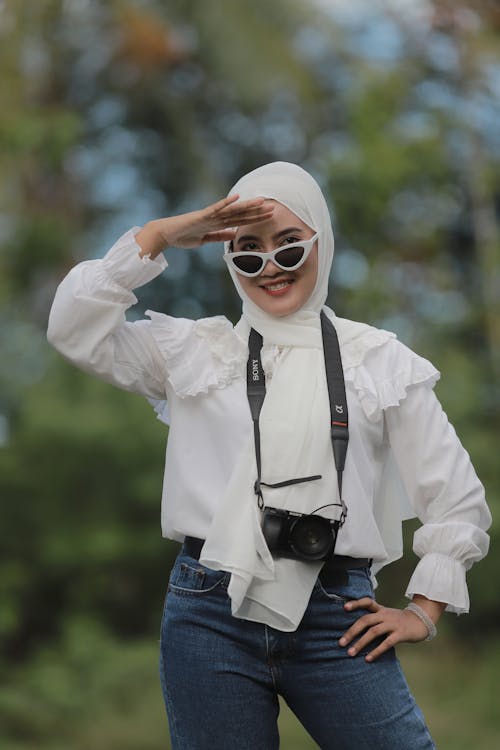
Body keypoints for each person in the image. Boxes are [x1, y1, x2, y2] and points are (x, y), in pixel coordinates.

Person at [47, 161, 491, 750]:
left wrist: (424, 611)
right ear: (230, 260)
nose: (270, 267)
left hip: (338, 612)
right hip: (209, 610)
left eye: (289, 246)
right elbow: (73, 329)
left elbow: (456, 499)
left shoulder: (377, 361)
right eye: (248, 251)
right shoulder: (196, 353)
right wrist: (157, 235)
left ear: (321, 242)